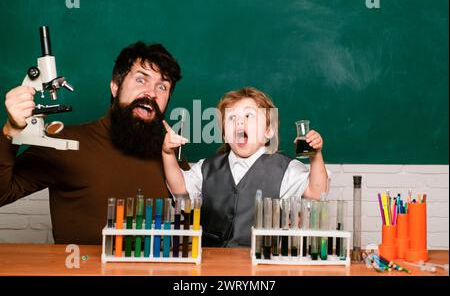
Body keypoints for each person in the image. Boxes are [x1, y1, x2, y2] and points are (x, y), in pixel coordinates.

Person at [0, 42, 183, 244]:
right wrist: (10, 131)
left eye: (162, 86)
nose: (152, 93)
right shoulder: (64, 143)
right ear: (115, 86)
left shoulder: (170, 155)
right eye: (141, 80)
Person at [162, 86, 330, 247]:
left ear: (268, 131)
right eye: (231, 117)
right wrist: (168, 154)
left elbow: (316, 193)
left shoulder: (286, 168)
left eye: (249, 116)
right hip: (211, 261)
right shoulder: (207, 167)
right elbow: (180, 189)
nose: (239, 122)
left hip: (261, 264)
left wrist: (315, 155)